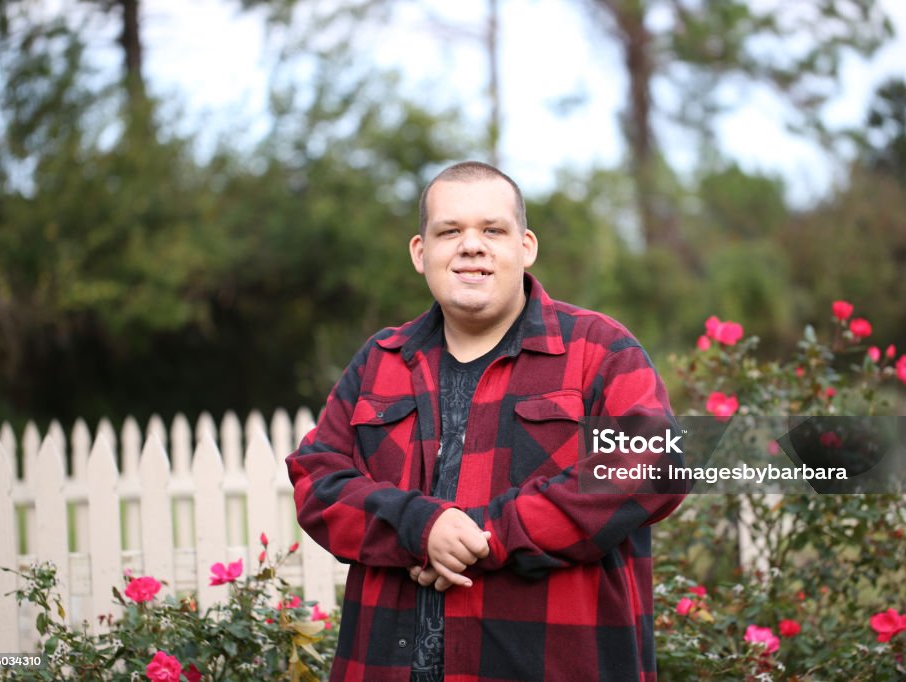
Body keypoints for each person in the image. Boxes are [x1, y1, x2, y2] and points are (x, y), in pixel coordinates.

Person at [287, 161, 684, 681]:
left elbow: (655, 463)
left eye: (492, 230)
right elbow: (317, 478)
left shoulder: (597, 349)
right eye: (449, 231)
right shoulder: (381, 360)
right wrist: (417, 526)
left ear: (526, 247)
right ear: (420, 251)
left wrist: (488, 534)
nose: (471, 246)